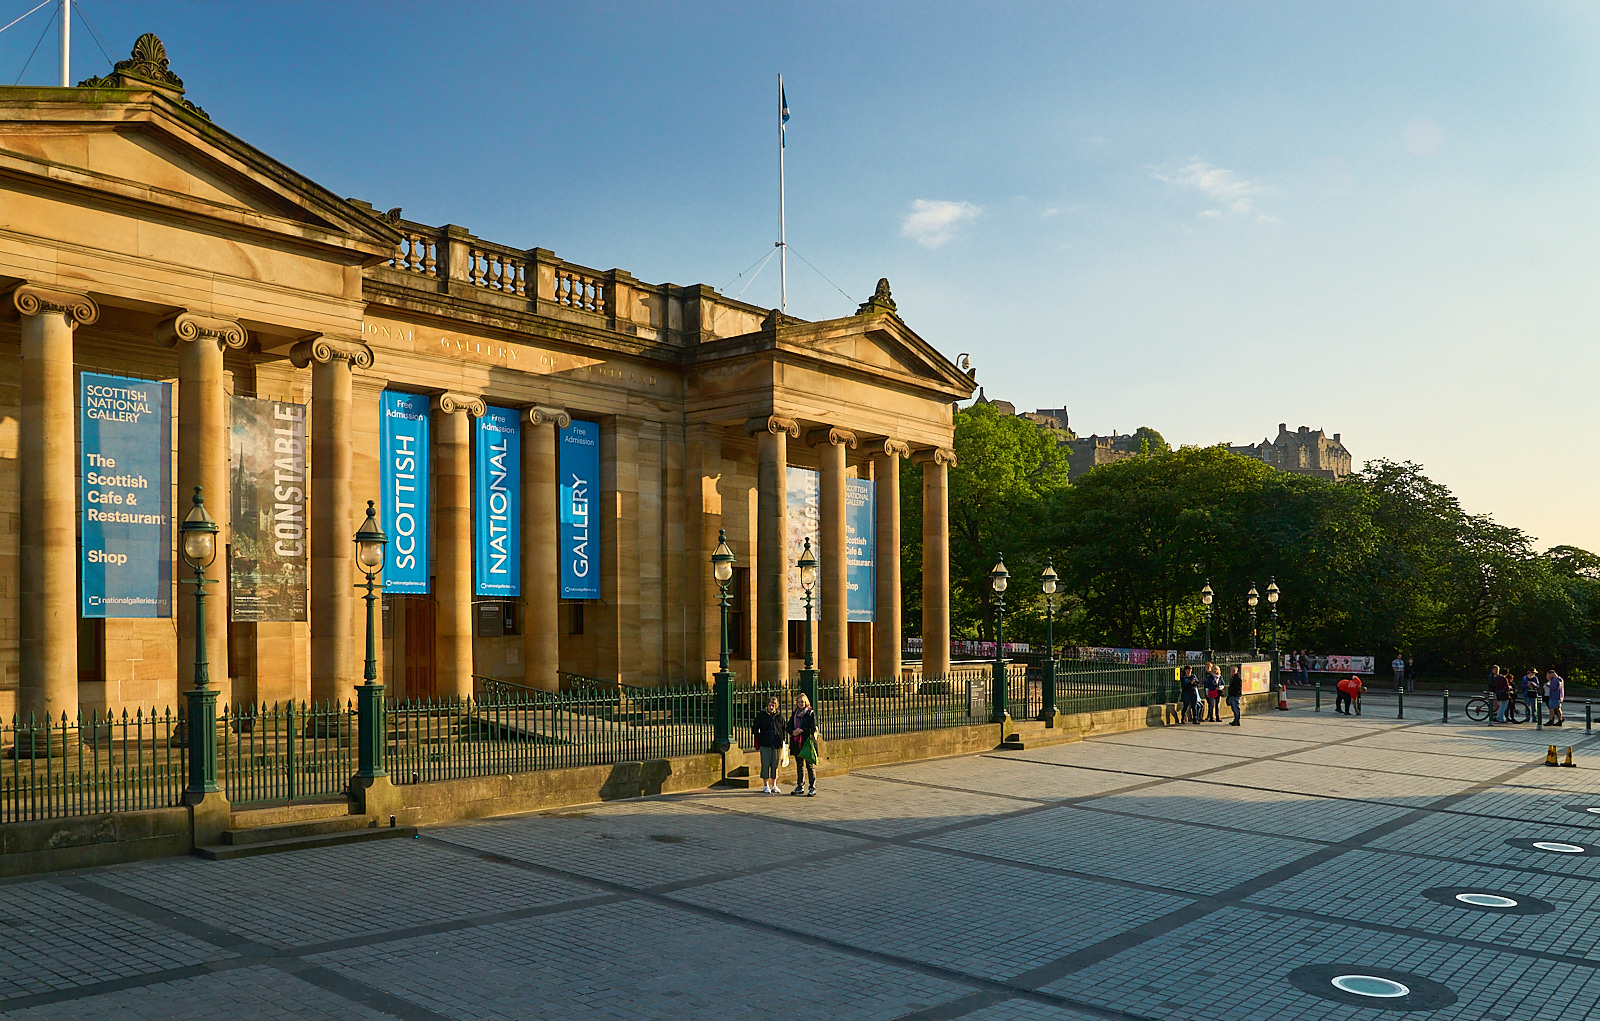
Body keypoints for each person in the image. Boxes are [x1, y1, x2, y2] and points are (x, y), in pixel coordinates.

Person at [751, 696, 786, 794]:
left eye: (773, 705)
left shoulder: (779, 716)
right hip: (765, 744)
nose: (771, 707)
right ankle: (766, 785)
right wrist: (760, 737)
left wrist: (783, 739)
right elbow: (754, 728)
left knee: (775, 765)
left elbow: (783, 728)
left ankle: (774, 784)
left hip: (776, 744)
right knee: (765, 764)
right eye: (770, 705)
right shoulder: (762, 715)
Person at [789, 692, 819, 796]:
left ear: (806, 702)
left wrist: (801, 730)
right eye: (799, 702)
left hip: (807, 743)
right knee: (799, 765)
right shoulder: (795, 714)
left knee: (809, 765)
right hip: (797, 743)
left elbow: (813, 728)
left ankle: (812, 787)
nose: (801, 703)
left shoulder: (810, 713)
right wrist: (793, 732)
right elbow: (788, 726)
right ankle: (800, 786)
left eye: (802, 701)